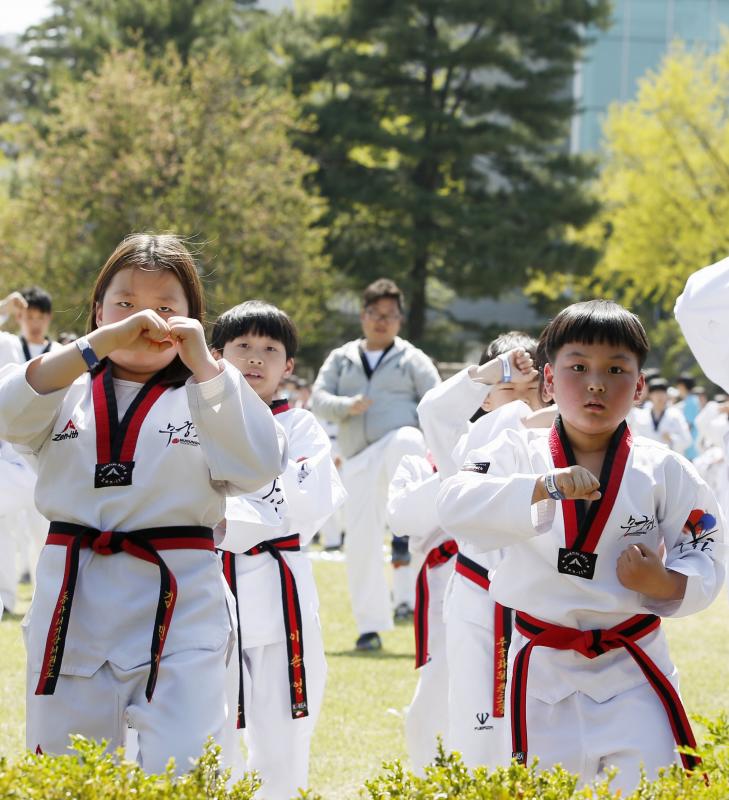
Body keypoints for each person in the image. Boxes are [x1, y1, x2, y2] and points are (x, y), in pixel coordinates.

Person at [0, 234, 287, 772]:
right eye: (125, 304)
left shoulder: (211, 389)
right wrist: (94, 346)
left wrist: (204, 365)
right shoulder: (67, 385)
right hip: (75, 599)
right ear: (97, 311)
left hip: (180, 601)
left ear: (193, 318)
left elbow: (257, 465)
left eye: (166, 308)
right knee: (69, 772)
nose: (145, 322)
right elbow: (6, 412)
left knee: (182, 766)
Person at [437, 300, 725, 792]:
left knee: (649, 788)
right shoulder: (514, 451)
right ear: (549, 380)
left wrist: (665, 581)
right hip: (543, 669)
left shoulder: (664, 469)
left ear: (639, 385)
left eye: (615, 370)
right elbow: (455, 503)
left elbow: (706, 549)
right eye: (578, 368)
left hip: (633, 665)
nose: (596, 384)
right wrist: (542, 487)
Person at [211, 300, 344, 798]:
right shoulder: (189, 419)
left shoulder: (302, 428)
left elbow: (306, 503)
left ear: (288, 366)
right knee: (207, 725)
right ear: (215, 355)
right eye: (243, 345)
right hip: (207, 583)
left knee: (284, 732)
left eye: (270, 349)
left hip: (278, 587)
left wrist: (225, 516)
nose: (255, 358)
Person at [417, 333, 546, 769]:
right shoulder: (465, 443)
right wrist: (489, 372)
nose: (521, 404)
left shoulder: (557, 442)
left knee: (538, 724)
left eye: (533, 390)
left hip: (541, 601)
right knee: (476, 724)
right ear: (485, 398)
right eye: (509, 389)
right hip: (478, 595)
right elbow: (434, 411)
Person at [311, 278, 440, 650]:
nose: (382, 321)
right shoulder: (342, 357)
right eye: (375, 313)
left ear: (400, 319)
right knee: (360, 544)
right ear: (363, 316)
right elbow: (319, 398)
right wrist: (345, 406)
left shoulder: (413, 358)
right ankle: (370, 627)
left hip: (398, 448)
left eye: (390, 315)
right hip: (357, 459)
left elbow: (437, 402)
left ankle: (409, 521)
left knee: (407, 438)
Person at [629, 377, 692, 453]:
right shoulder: (640, 415)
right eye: (656, 393)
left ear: (666, 395)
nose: (659, 396)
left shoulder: (676, 414)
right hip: (646, 456)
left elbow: (687, 440)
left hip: (669, 456)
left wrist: (671, 438)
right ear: (650, 395)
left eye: (662, 392)